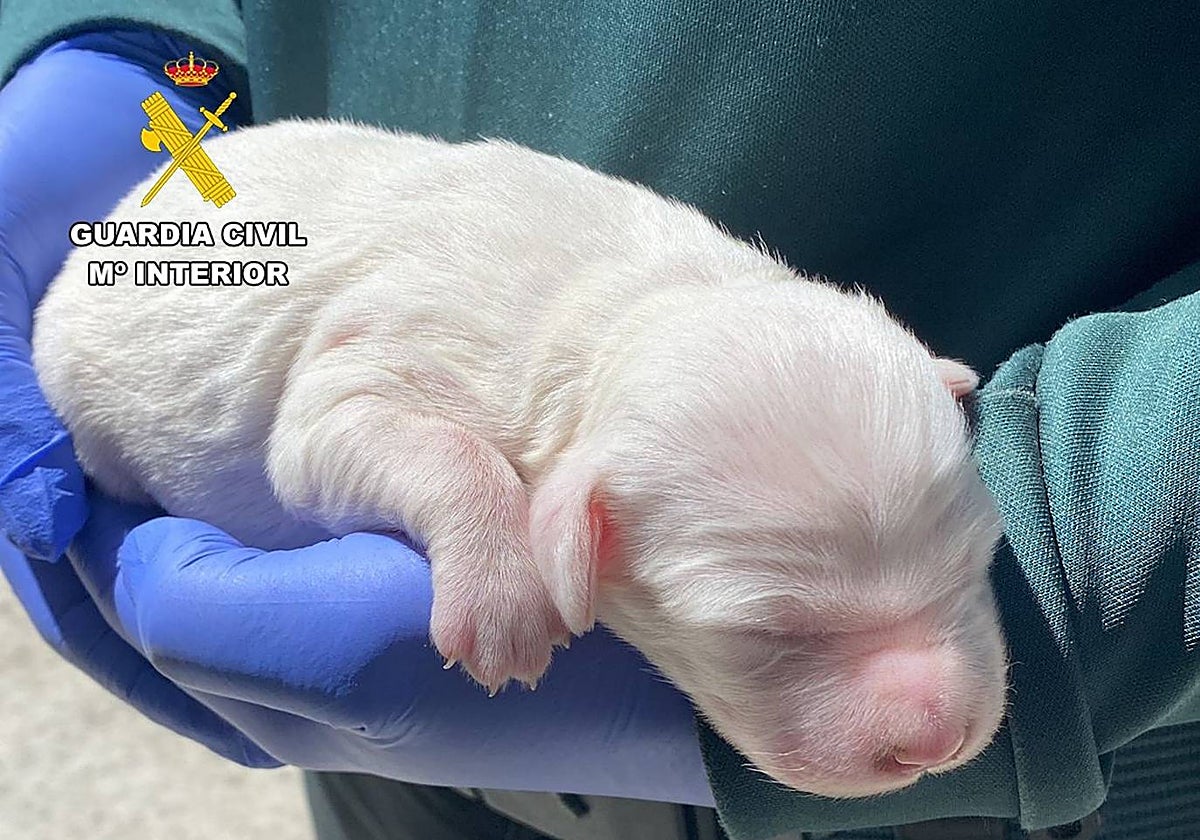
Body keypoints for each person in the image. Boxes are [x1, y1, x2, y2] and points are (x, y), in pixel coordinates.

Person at [1, 5, 1198, 840]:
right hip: (161, 315)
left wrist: (1076, 532)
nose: (935, 714)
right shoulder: (510, 350)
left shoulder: (767, 360)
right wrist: (134, 28)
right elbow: (334, 410)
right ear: (583, 523)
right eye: (780, 632)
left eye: (960, 561)